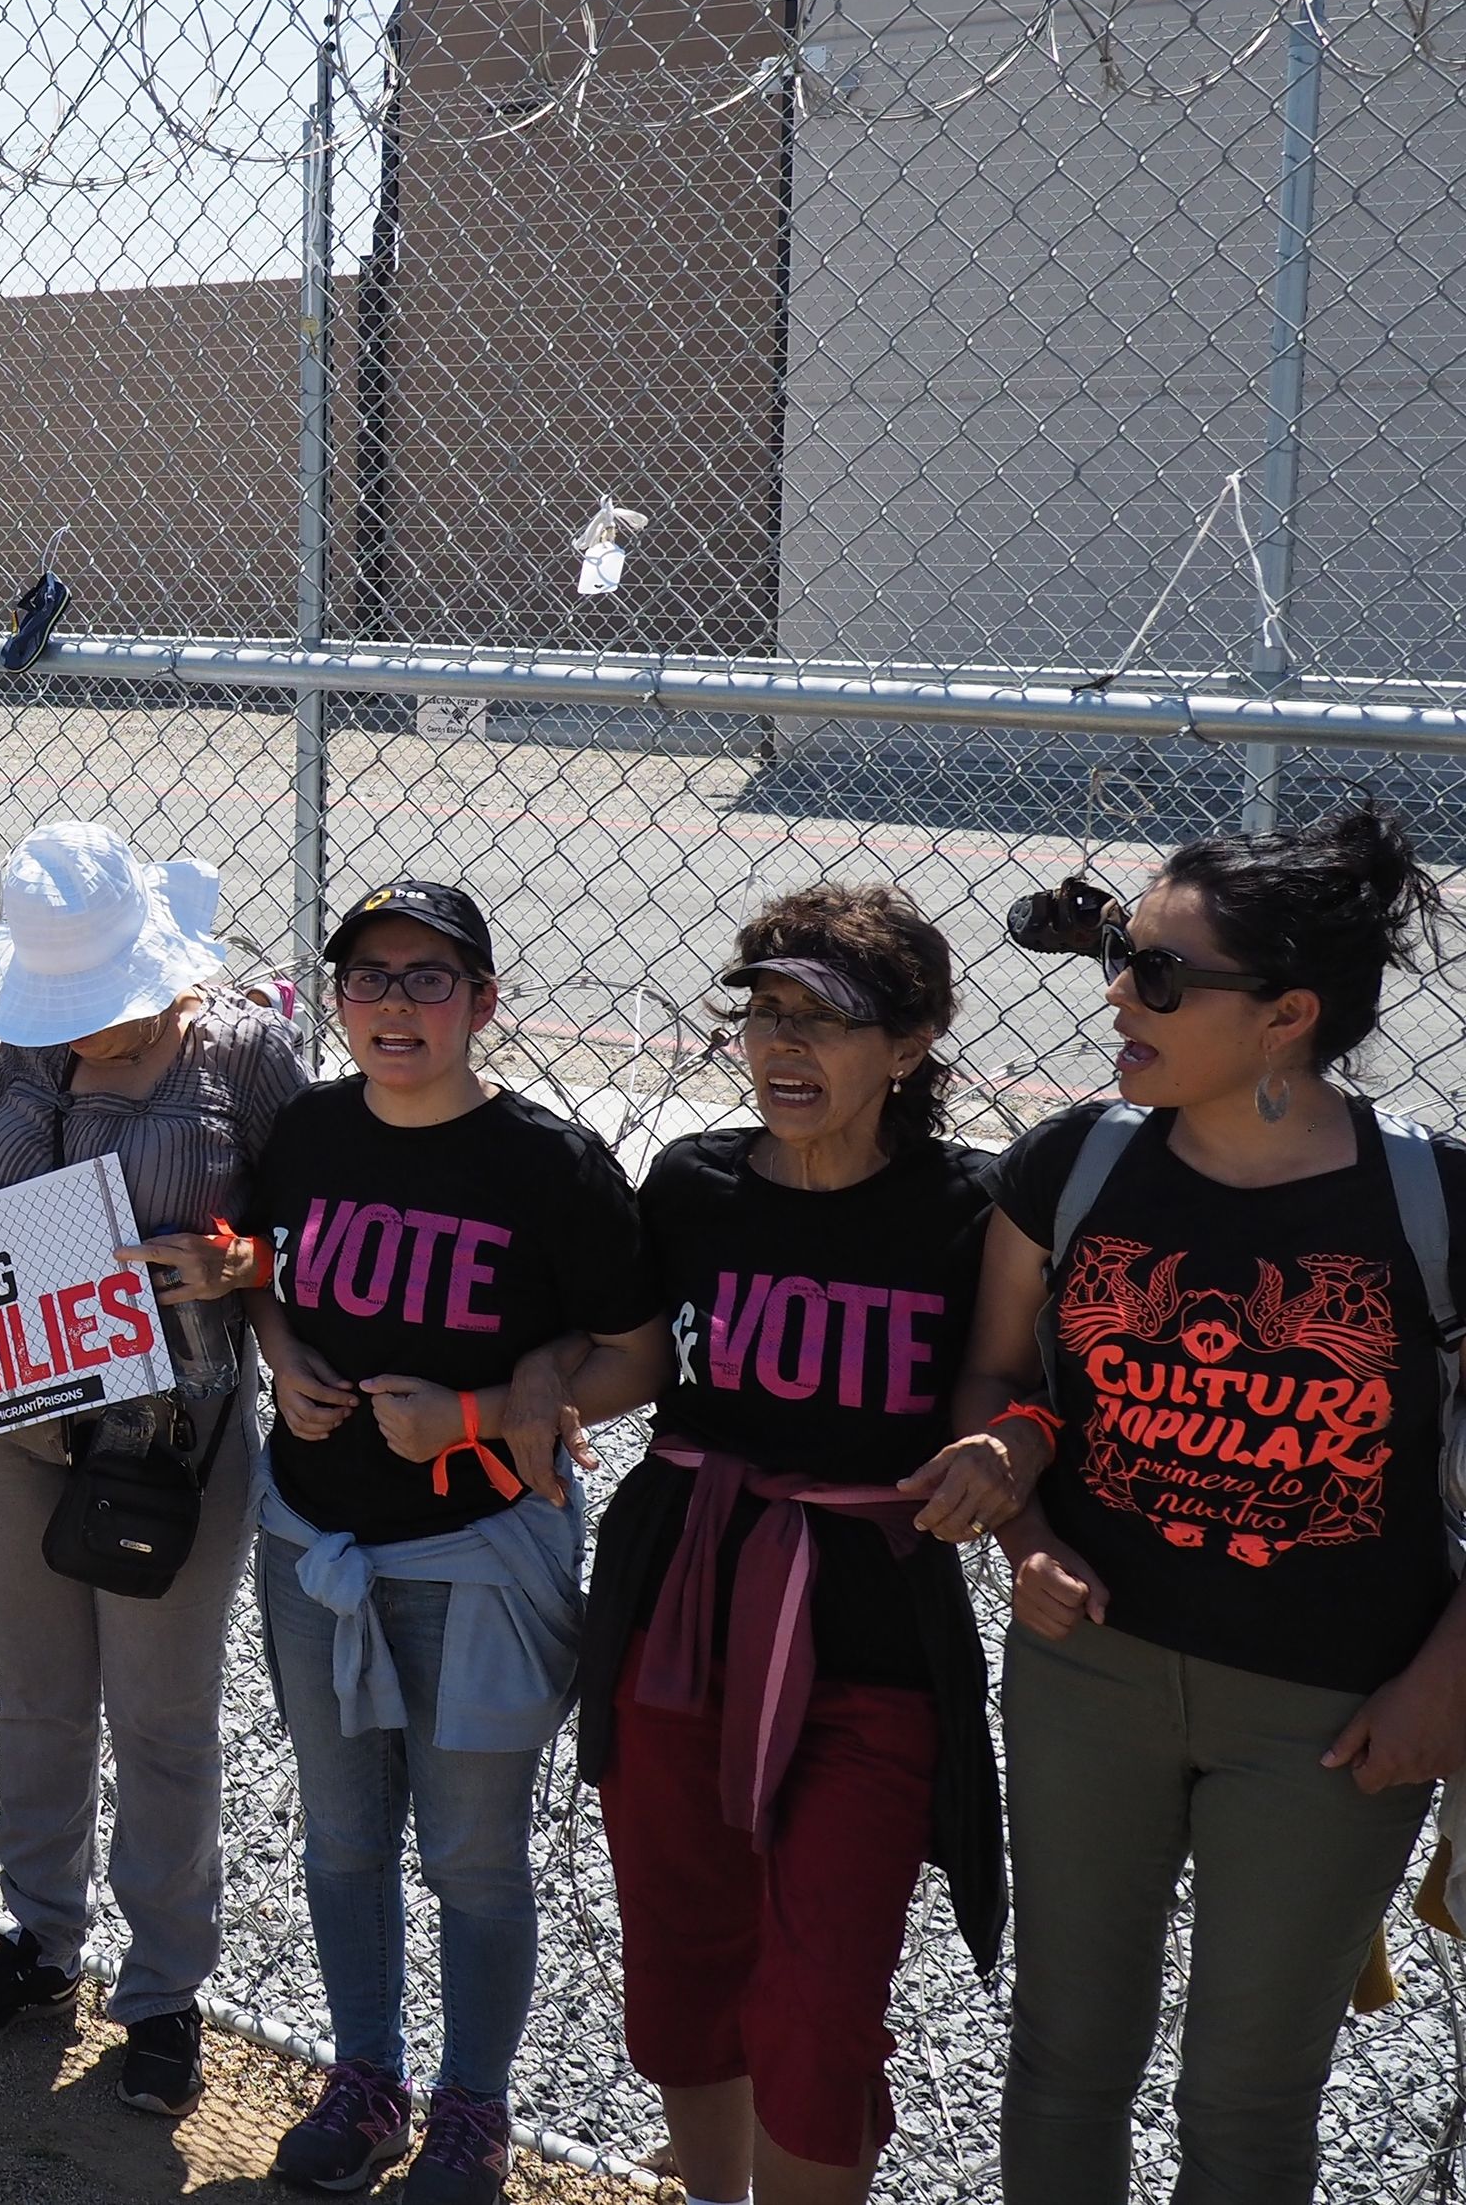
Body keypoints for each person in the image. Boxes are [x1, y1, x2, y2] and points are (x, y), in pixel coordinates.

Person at [909, 803, 1465, 2205]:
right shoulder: (1075, 1160)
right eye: (1118, 953)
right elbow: (995, 1377)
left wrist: (1444, 1685)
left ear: (1287, 1015)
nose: (1114, 993)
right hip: (1085, 1673)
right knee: (1065, 2056)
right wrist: (1021, 1524)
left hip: (1337, 1719)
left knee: (1248, 2096)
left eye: (1159, 973)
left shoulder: (1432, 1202)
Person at [526, 887, 1002, 2205]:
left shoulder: (973, 1207)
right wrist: (525, 1384)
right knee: (684, 1949)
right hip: (680, 1597)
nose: (785, 1047)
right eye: (767, 1014)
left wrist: (1012, 1460)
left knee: (820, 1995)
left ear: (910, 1045)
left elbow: (1020, 1381)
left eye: (830, 1021)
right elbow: (627, 1354)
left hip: (871, 1626)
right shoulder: (694, 1182)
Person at [241, 879, 651, 2205]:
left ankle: (475, 2104)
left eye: (430, 978)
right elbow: (265, 1266)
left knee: (474, 1851)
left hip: (477, 1541)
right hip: (314, 1532)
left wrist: (477, 1412)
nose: (397, 1003)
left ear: (482, 1000)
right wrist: (282, 1350)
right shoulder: (307, 1128)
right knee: (343, 1833)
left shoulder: (546, 1160)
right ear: (339, 999)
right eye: (369, 975)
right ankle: (367, 2074)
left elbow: (643, 1347)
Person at [0, 827, 297, 2111]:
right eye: (63, 1008)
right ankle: (38, 1937)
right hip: (14, 1412)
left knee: (159, 1717)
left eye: (105, 1008)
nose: (82, 1034)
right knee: (33, 1697)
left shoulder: (242, 1053)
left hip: (172, 1434)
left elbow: (322, 1222)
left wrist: (248, 1268)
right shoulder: (14, 1036)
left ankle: (163, 1991)